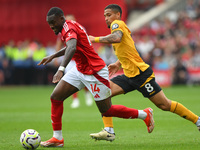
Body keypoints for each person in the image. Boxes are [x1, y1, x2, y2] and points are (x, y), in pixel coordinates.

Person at [38, 7, 154, 147]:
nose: (51, 26)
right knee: (55, 97)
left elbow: (72, 47)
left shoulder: (68, 28)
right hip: (80, 69)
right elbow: (71, 46)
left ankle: (145, 114)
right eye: (49, 23)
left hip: (95, 72)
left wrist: (61, 69)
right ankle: (57, 138)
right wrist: (53, 56)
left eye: (53, 22)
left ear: (61, 19)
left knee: (107, 110)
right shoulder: (67, 26)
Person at [89, 4, 200, 141]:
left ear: (118, 15)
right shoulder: (120, 27)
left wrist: (95, 39)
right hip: (129, 75)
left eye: (109, 15)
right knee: (103, 94)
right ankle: (109, 130)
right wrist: (118, 63)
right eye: (105, 15)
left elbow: (116, 38)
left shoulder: (117, 24)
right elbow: (129, 49)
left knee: (164, 104)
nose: (106, 18)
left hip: (141, 75)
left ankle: (198, 120)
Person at [55, 14, 93, 108]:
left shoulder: (80, 28)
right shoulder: (63, 30)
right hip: (70, 60)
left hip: (80, 58)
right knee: (71, 81)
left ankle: (87, 96)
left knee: (83, 78)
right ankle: (75, 100)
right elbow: (59, 43)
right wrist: (56, 57)